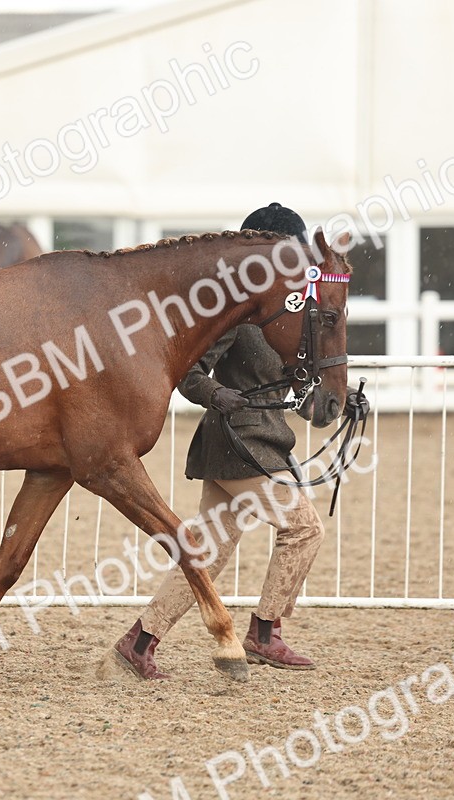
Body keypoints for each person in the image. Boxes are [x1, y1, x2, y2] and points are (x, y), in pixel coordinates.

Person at [111, 203, 361, 680]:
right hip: (238, 442)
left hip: (260, 441)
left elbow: (291, 396)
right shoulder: (237, 315)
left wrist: (341, 399)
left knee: (208, 554)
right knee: (304, 528)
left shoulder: (288, 316)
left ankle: (138, 643)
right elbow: (188, 373)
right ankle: (264, 634)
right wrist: (216, 393)